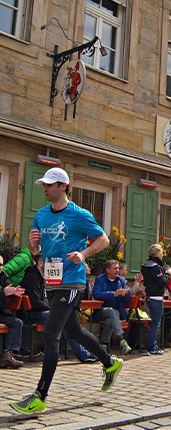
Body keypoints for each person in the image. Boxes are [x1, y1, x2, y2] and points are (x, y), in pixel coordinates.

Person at [9, 168, 123, 413]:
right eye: (44, 185)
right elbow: (37, 252)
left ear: (63, 185)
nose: (45, 189)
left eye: (49, 185)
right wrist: (32, 245)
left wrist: (82, 254)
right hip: (51, 283)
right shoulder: (41, 215)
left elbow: (103, 240)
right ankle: (109, 362)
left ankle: (40, 395)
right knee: (74, 332)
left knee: (51, 333)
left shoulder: (79, 215)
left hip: (72, 282)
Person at [92, 260, 133, 355]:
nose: (117, 270)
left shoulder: (122, 280)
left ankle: (104, 344)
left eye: (118, 268)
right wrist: (112, 294)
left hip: (117, 312)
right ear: (107, 270)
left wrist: (123, 295)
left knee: (110, 319)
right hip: (102, 310)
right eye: (115, 268)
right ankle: (121, 340)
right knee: (111, 312)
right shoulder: (100, 279)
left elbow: (127, 300)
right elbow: (96, 294)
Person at [141, 243, 170, 355]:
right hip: (156, 298)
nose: (163, 255)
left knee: (154, 323)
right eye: (162, 253)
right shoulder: (155, 267)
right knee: (156, 324)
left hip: (149, 296)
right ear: (157, 254)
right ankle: (152, 347)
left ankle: (152, 345)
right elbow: (162, 282)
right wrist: (167, 274)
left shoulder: (146, 266)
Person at [0, 253, 24, 368]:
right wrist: (3, 292)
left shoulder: (3, 276)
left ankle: (8, 354)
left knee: (17, 322)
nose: (0, 267)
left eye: (1, 265)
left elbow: (7, 290)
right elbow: (3, 292)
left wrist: (14, 293)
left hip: (1, 312)